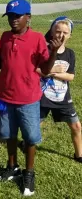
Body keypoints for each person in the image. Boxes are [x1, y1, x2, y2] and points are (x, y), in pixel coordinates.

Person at [0, 0, 64, 196]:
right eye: (10, 16)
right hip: (5, 96)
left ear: (28, 17)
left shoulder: (37, 38)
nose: (13, 20)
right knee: (8, 134)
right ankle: (12, 166)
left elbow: (45, 69)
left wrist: (54, 53)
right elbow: (2, 62)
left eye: (18, 16)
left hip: (28, 98)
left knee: (30, 137)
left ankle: (29, 172)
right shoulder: (6, 36)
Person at [39, 17, 82, 162]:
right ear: (51, 32)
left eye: (65, 32)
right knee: (34, 126)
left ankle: (79, 155)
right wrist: (53, 70)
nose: (61, 35)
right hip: (43, 95)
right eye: (58, 31)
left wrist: (52, 72)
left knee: (76, 125)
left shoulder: (70, 54)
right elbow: (36, 70)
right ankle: (27, 143)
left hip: (63, 97)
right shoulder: (44, 50)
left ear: (70, 35)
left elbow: (71, 76)